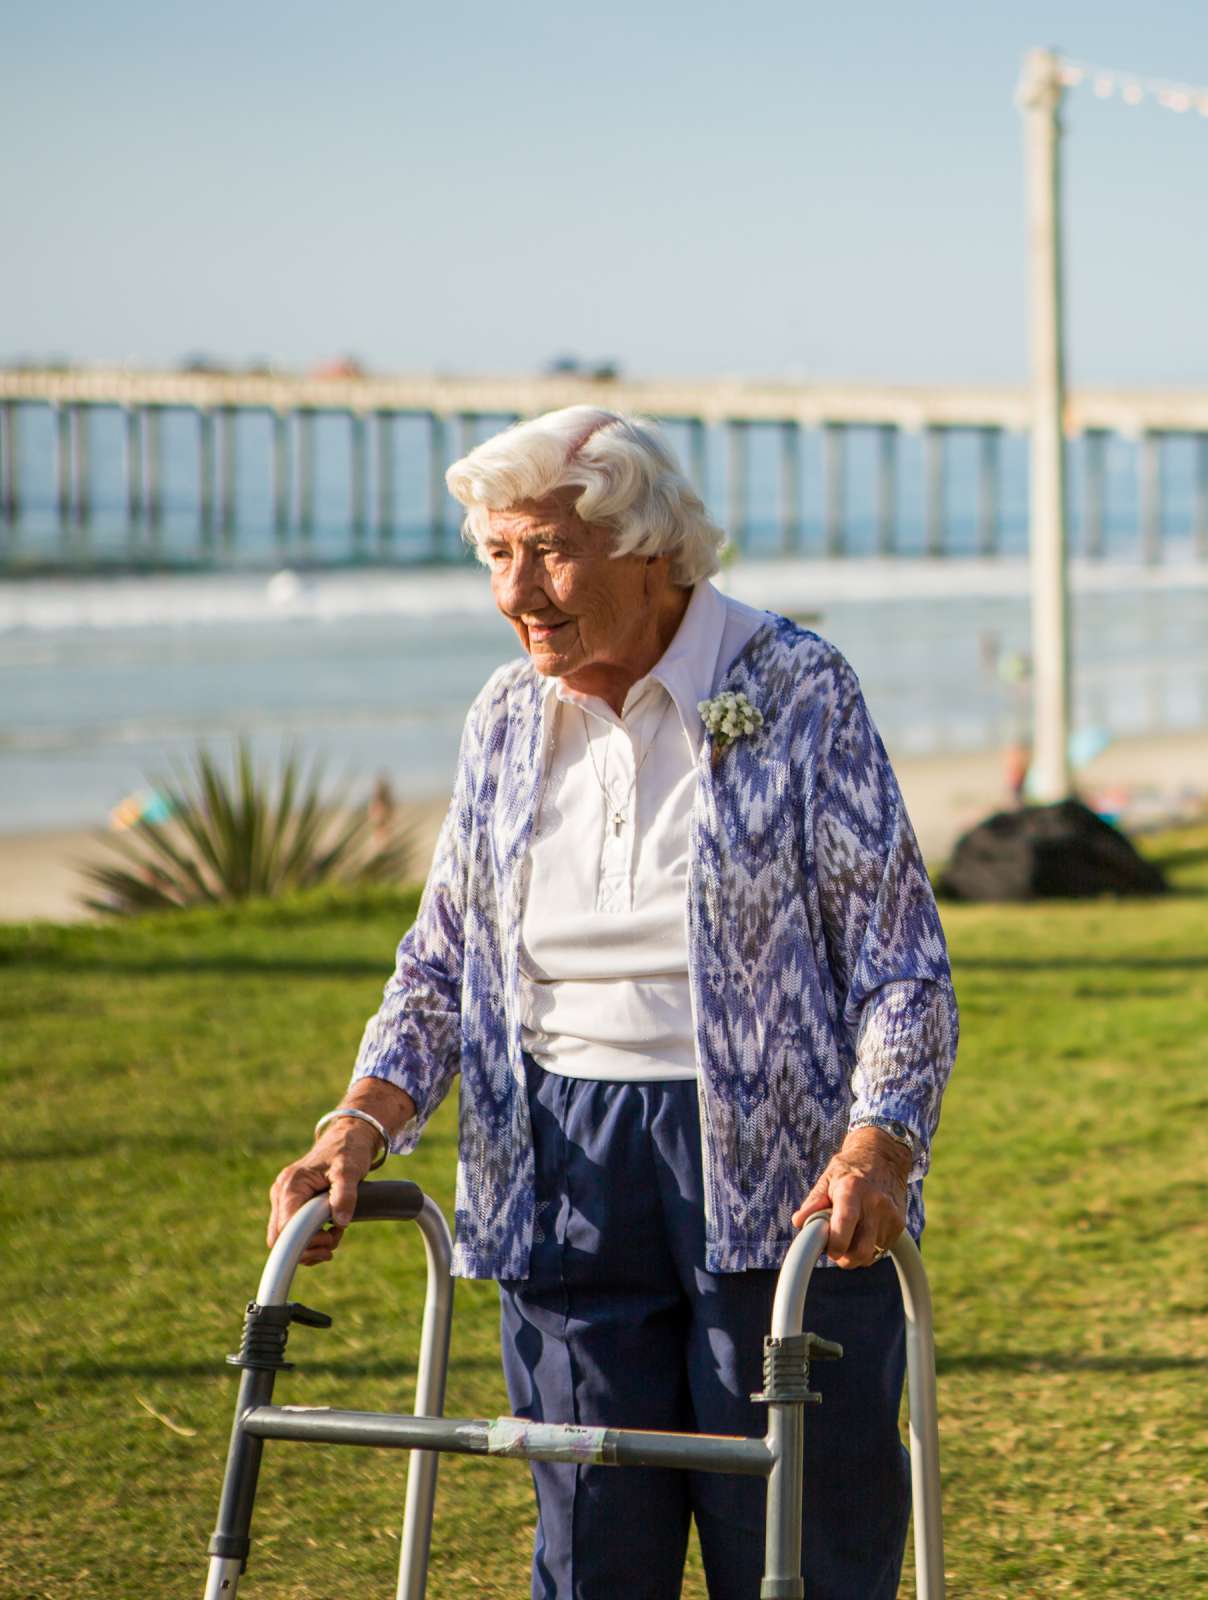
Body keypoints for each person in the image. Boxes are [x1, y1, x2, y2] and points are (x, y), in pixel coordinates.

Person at [266, 406, 957, 1599]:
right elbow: (441, 963)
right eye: (495, 555)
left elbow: (903, 966)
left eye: (547, 550)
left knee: (798, 1548)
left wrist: (878, 1147)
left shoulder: (795, 687)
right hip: (558, 1170)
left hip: (776, 1177)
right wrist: (356, 1124)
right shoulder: (502, 716)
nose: (518, 592)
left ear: (648, 548)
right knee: (591, 1552)